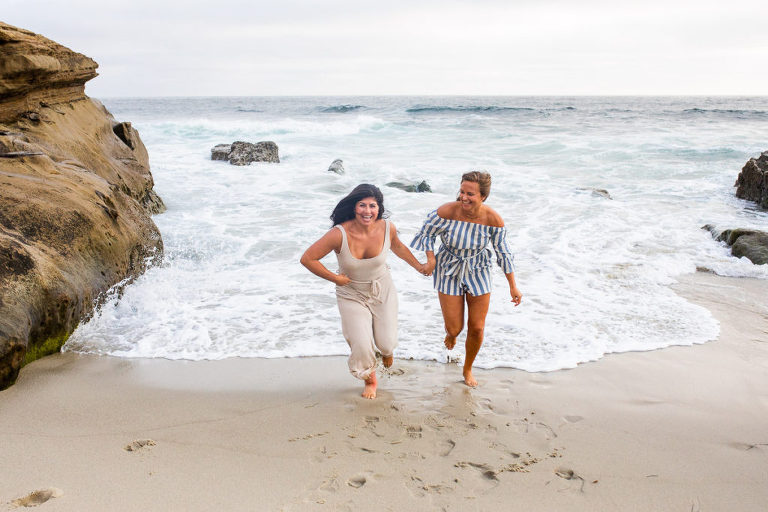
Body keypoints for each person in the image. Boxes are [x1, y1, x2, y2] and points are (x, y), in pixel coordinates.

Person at [300, 184, 428, 399]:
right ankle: (370, 379)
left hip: (382, 288)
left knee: (386, 343)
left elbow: (398, 247)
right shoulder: (338, 234)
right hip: (351, 293)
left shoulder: (387, 228)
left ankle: (386, 352)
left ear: (379, 208)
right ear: (354, 207)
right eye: (362, 205)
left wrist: (420, 266)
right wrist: (335, 278)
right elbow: (308, 258)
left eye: (372, 206)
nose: (367, 211)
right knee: (361, 342)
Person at [411, 171, 522, 387]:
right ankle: (452, 335)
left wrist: (513, 286)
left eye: (470, 194)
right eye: (462, 191)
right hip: (449, 267)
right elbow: (426, 233)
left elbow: (503, 253)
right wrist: (431, 258)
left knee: (477, 327)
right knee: (455, 328)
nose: (463, 197)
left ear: (483, 197)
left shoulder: (493, 220)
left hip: (478, 268)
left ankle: (468, 368)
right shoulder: (446, 212)